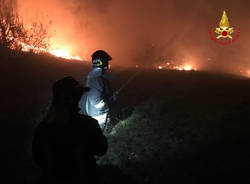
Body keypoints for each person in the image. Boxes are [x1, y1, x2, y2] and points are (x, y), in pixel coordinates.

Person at [32, 76, 108, 184]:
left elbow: (38, 158)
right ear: (76, 97)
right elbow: (101, 150)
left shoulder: (43, 127)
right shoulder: (87, 124)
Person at [79, 50, 117, 131]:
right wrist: (107, 104)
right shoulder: (96, 78)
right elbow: (95, 101)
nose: (108, 64)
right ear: (101, 62)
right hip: (99, 117)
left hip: (97, 114)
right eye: (106, 61)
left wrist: (111, 95)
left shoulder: (97, 75)